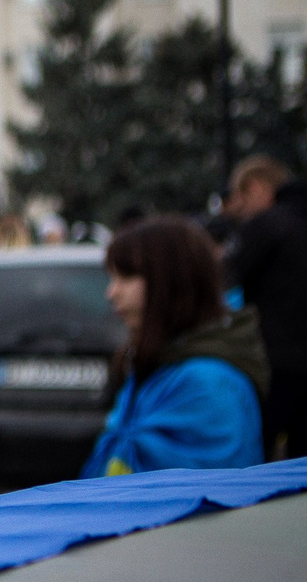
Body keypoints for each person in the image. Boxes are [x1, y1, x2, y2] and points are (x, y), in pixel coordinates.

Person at [87, 216, 267, 475]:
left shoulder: (206, 383)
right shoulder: (163, 363)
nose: (111, 293)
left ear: (171, 280)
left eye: (126, 277)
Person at [221, 154, 307, 460]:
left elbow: (226, 277)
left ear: (257, 188)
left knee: (257, 456)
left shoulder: (267, 225)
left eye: (241, 197)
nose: (239, 209)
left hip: (274, 361)